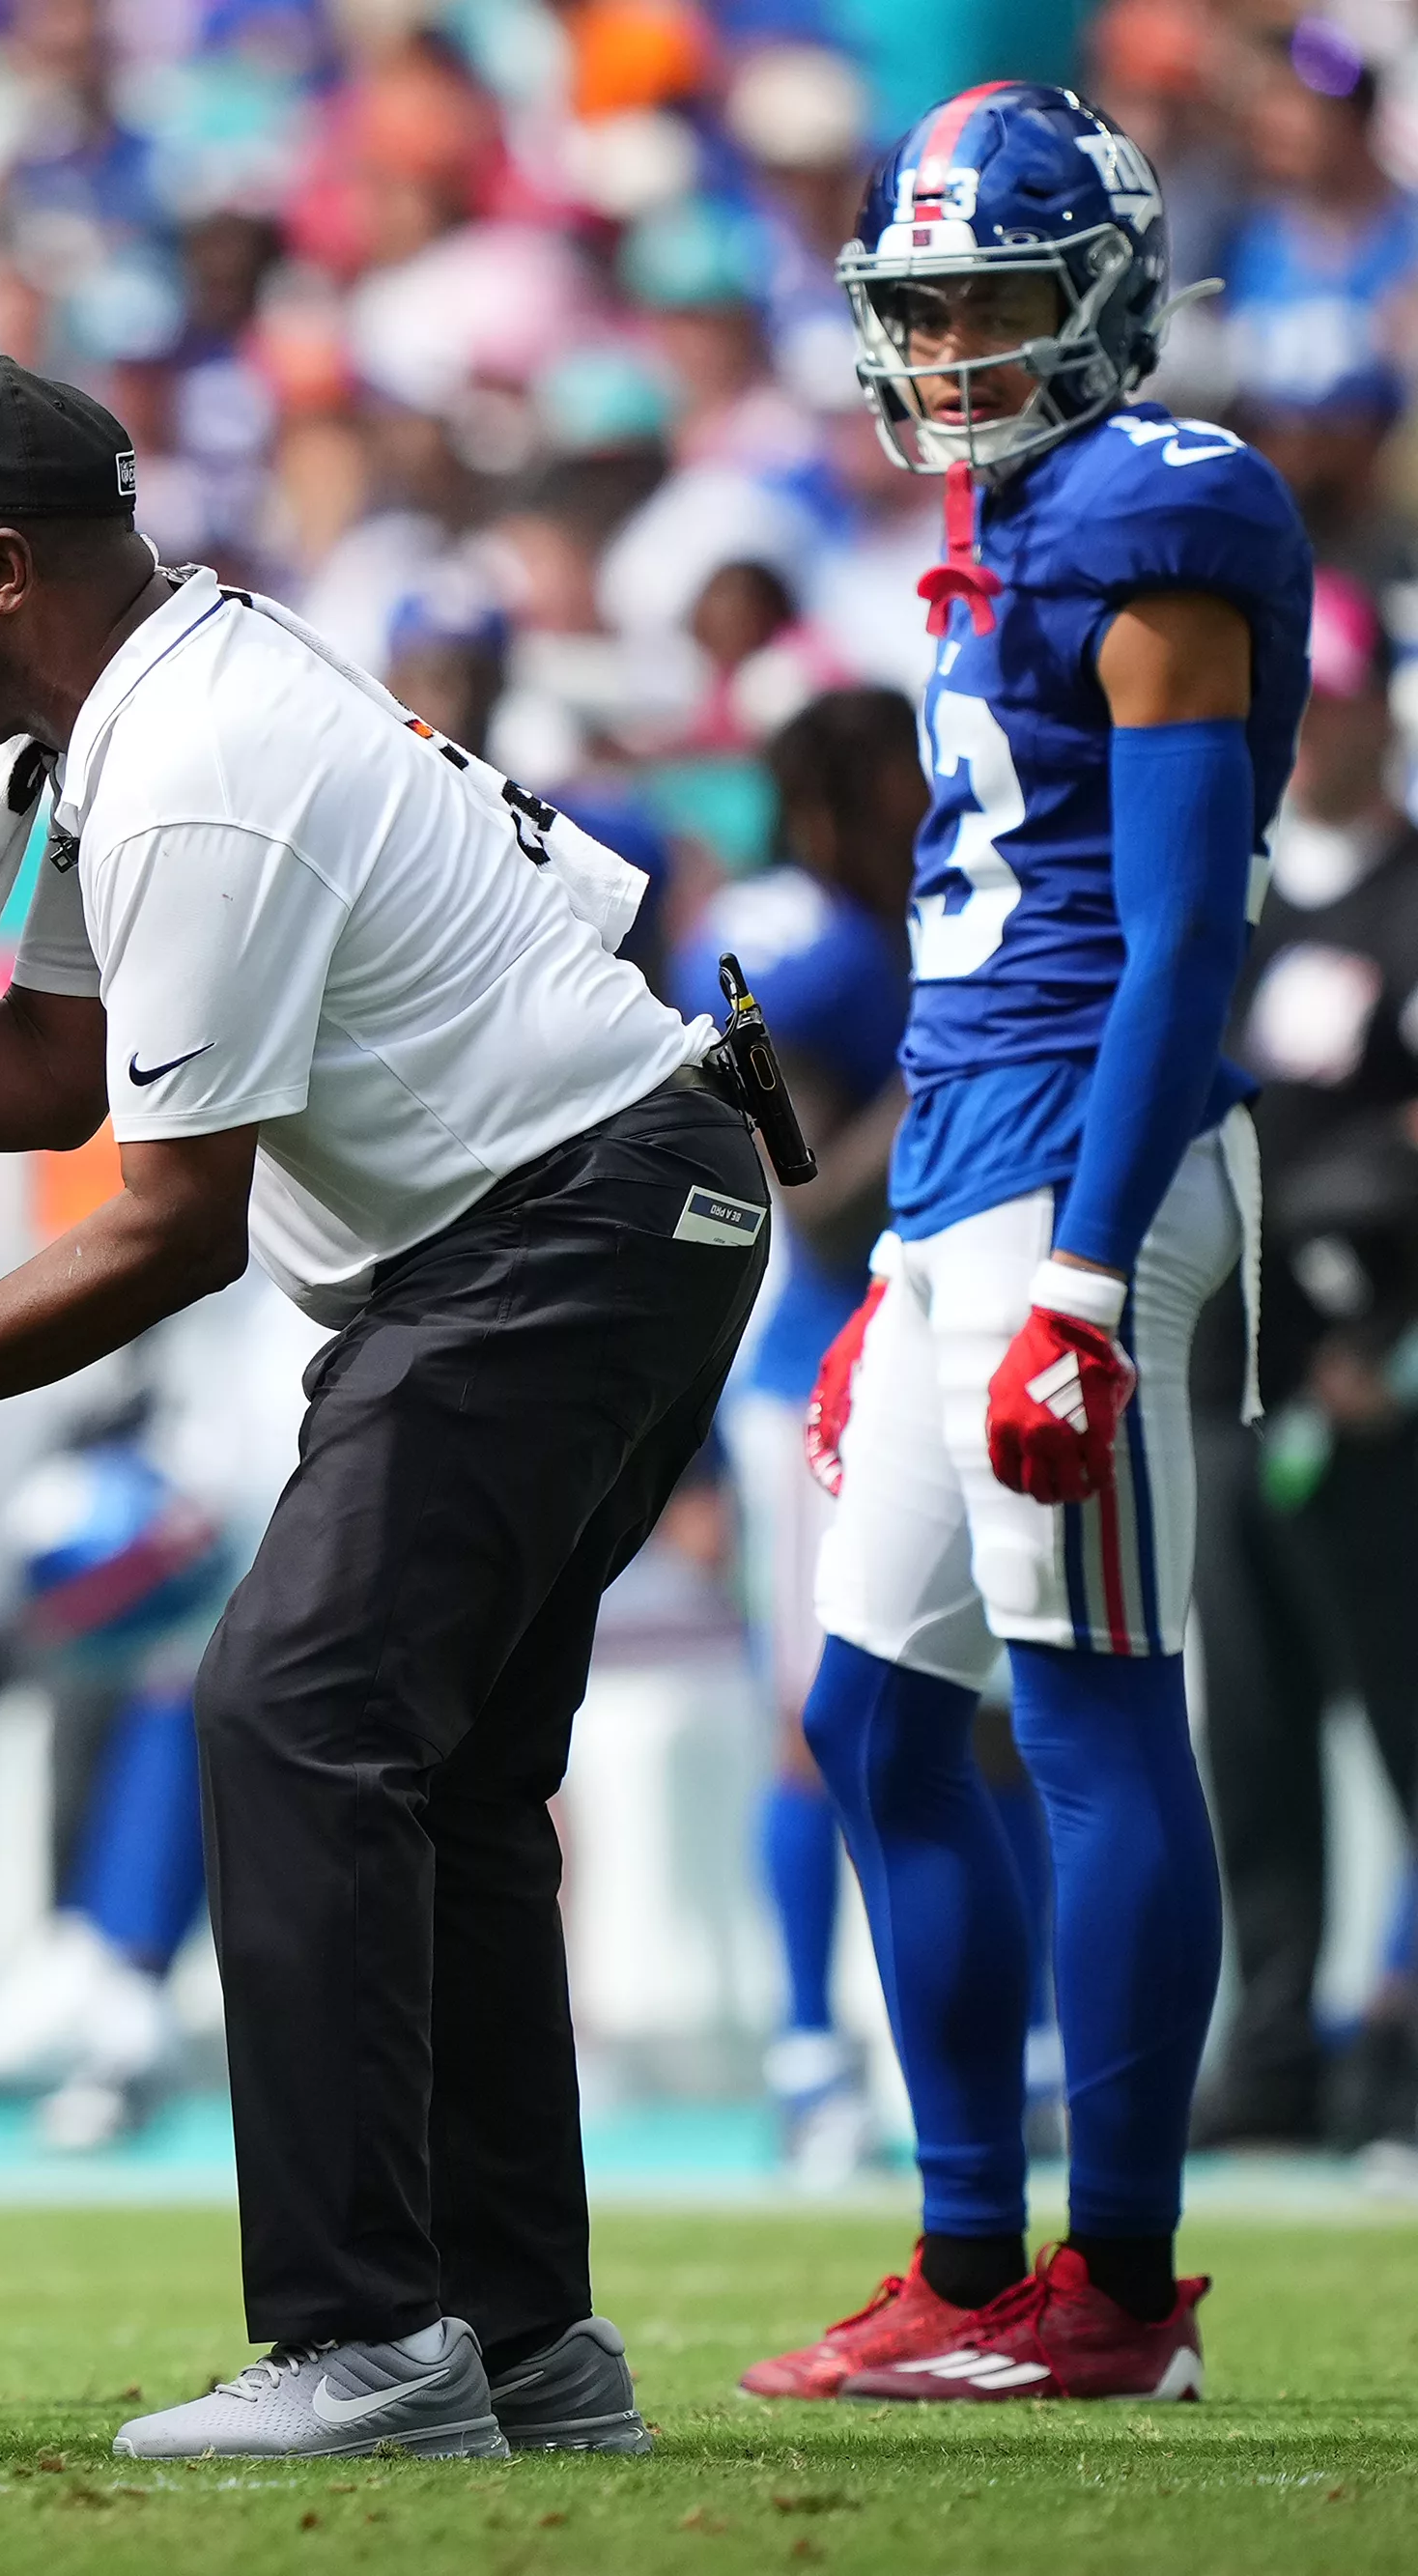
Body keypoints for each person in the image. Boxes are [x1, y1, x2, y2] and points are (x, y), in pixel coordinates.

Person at [0, 351, 771, 2461]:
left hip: (553, 1223)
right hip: (608, 1202)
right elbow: (42, 1072)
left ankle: (365, 2340)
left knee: (286, 1711)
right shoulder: (139, 708)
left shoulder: (185, 764)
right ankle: (523, 2341)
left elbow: (165, 1224)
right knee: (427, 1781)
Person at [749, 82, 1308, 2407]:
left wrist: (1076, 1276)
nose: (949, 342)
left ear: (1094, 300)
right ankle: (965, 2264)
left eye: (985, 296)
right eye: (922, 303)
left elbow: (1175, 937)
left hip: (1100, 1163)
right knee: (874, 1716)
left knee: (1087, 1708)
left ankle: (1114, 2288)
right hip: (967, 1181)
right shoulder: (1010, 527)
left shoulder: (1161, 512)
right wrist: (899, 1269)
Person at [675, 685, 928, 2187]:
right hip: (820, 1375)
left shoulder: (928, 929)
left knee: (980, 1721)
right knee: (817, 1720)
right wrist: (949, 1075)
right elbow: (806, 1179)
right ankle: (807, 2052)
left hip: (944, 1354)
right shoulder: (799, 958)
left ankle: (989, 2042)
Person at [1184, 569, 1418, 2151]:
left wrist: (1390, 1338)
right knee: (1252, 1738)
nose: (1305, 731)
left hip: (1375, 1387)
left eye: (1324, 701)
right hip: (1234, 1373)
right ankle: (1274, 2051)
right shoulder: (1245, 901)